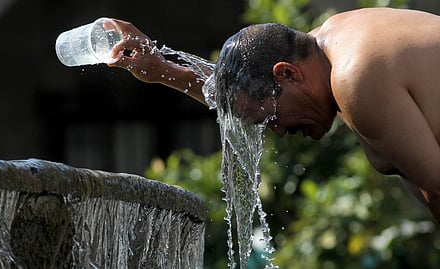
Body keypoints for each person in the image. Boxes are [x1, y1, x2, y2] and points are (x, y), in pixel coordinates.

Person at [108, 7, 440, 222]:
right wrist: (163, 70)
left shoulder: (355, 79)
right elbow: (248, 92)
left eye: (271, 118)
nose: (278, 131)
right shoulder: (333, 39)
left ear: (288, 75)